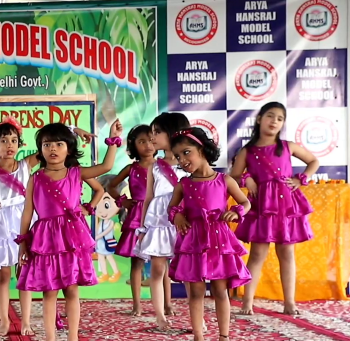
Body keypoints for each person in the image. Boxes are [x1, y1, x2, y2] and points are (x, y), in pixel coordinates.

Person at [0, 116, 99, 336]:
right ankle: (4, 319)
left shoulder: (27, 164)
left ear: (20, 143)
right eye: (2, 141)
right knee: (3, 275)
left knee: (25, 272)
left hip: (27, 220)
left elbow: (54, 142)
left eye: (13, 140)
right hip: (1, 223)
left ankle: (26, 320)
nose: (8, 145)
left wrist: (75, 129)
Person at [16, 122, 123, 341]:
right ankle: (50, 337)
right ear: (40, 149)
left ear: (69, 149)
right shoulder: (35, 178)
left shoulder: (76, 173)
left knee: (72, 289)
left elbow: (106, 167)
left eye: (59, 144)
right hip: (45, 239)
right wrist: (22, 243)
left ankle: (73, 337)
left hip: (71, 237)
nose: (52, 149)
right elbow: (28, 212)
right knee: (49, 291)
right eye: (47, 144)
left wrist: (113, 139)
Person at [229, 102, 318, 315]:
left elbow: (313, 161)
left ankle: (289, 302)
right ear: (259, 119)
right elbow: (233, 175)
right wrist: (247, 178)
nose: (274, 121)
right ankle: (247, 302)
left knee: (287, 252)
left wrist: (301, 179)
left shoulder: (288, 146)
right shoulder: (247, 151)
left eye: (279, 118)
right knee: (258, 253)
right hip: (262, 206)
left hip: (286, 204)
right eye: (270, 116)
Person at [167, 127, 252, 341]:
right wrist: (177, 216)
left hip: (219, 241)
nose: (182, 159)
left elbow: (245, 202)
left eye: (186, 152)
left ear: (202, 149)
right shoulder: (184, 184)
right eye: (178, 156)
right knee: (196, 292)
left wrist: (236, 212)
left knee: (220, 290)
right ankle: (198, 336)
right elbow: (172, 208)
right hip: (194, 241)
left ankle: (224, 336)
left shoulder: (224, 180)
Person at [133, 112, 191, 330]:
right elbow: (149, 197)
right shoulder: (155, 166)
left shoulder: (190, 162)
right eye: (151, 133)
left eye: (157, 132)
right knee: (157, 269)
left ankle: (196, 316)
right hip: (159, 221)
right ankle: (160, 316)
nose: (152, 137)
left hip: (183, 220)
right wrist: (142, 226)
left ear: (173, 133)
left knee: (189, 271)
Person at [107, 124, 156, 316]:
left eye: (151, 140)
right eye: (142, 141)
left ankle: (165, 305)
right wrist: (123, 202)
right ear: (133, 146)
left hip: (157, 216)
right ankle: (137, 304)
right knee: (137, 263)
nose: (148, 145)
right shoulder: (131, 168)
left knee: (161, 262)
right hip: (137, 216)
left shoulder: (163, 166)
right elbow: (112, 186)